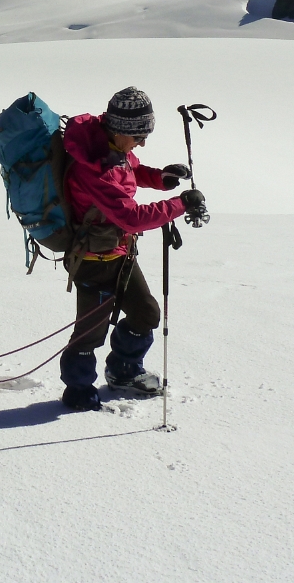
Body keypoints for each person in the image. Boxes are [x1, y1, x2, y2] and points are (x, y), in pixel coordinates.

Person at [58, 86, 206, 411]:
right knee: (89, 336)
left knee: (146, 313)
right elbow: (130, 217)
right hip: (94, 262)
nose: (142, 143)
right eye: (138, 136)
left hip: (120, 254)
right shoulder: (90, 168)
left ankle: (123, 371)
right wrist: (179, 204)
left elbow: (130, 170)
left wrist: (161, 177)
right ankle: (78, 392)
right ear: (119, 129)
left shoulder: (111, 145)